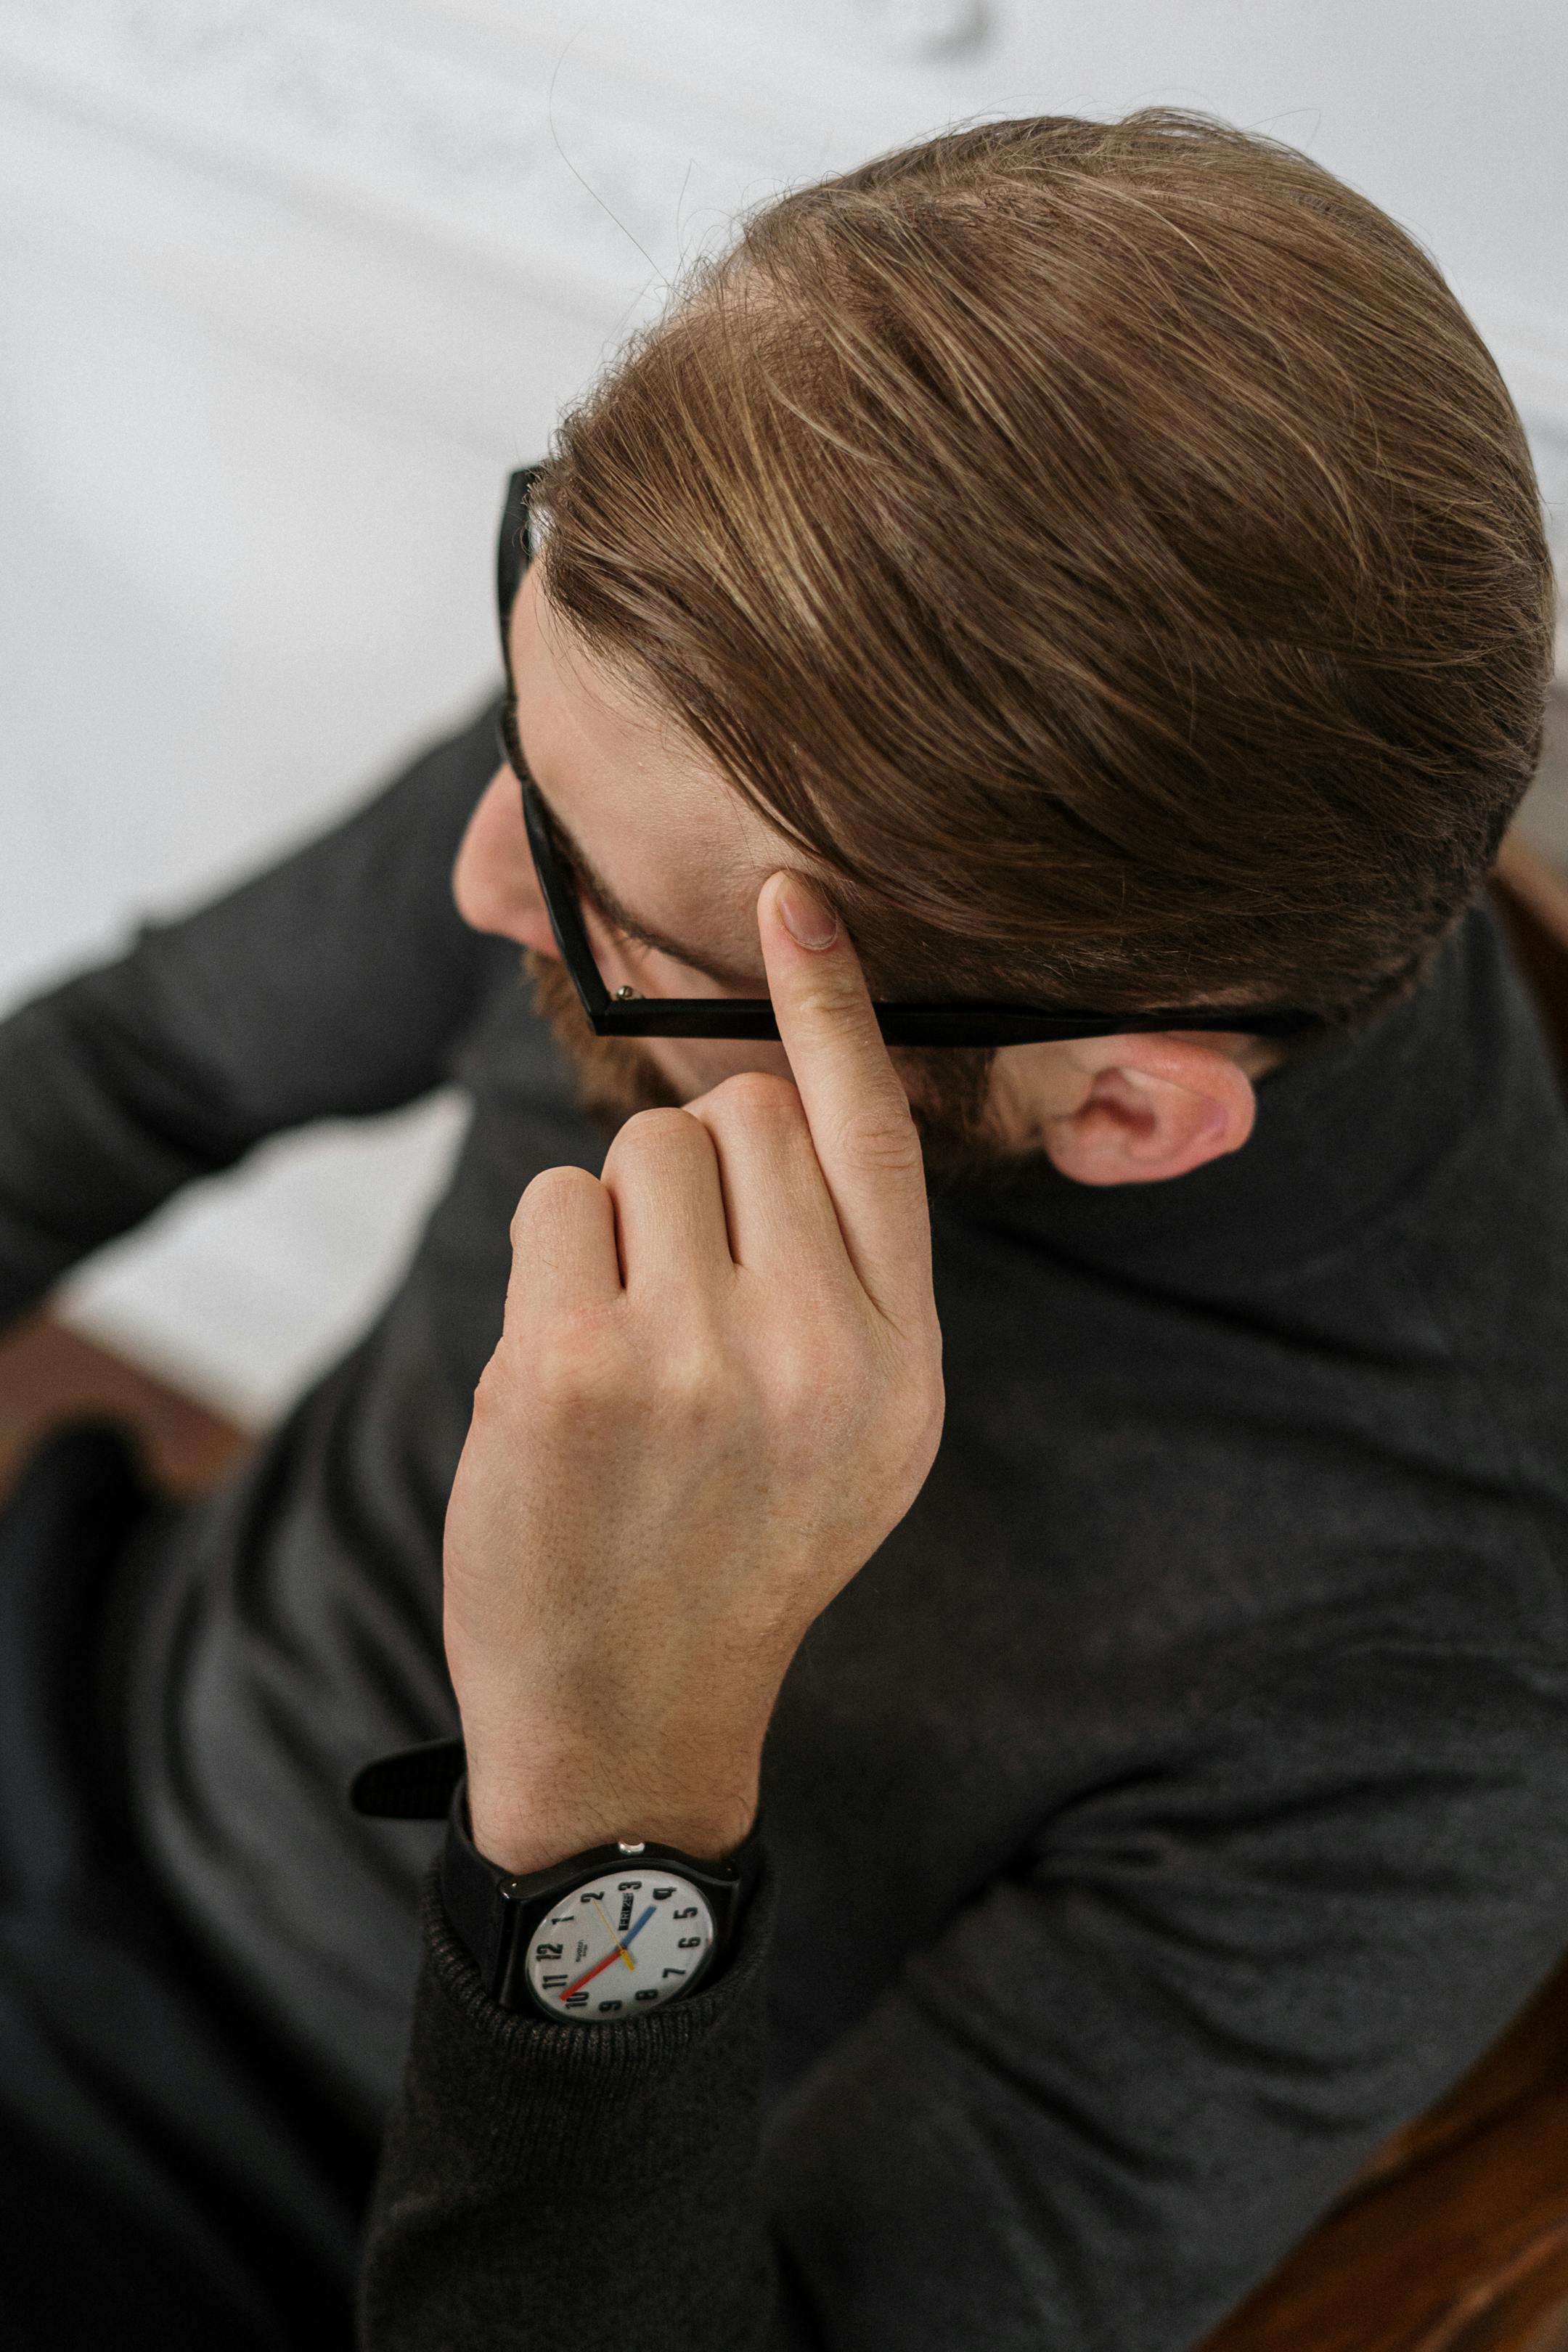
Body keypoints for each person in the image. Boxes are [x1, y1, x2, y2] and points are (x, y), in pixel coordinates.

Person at [0, 107, 1564, 2351]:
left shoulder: (1440, 1679)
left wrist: (613, 1795)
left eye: (605, 918)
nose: (477, 889)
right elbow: (141, 1068)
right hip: (85, 1703)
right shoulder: (676, 758)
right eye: (533, 767)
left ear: (1122, 1106)